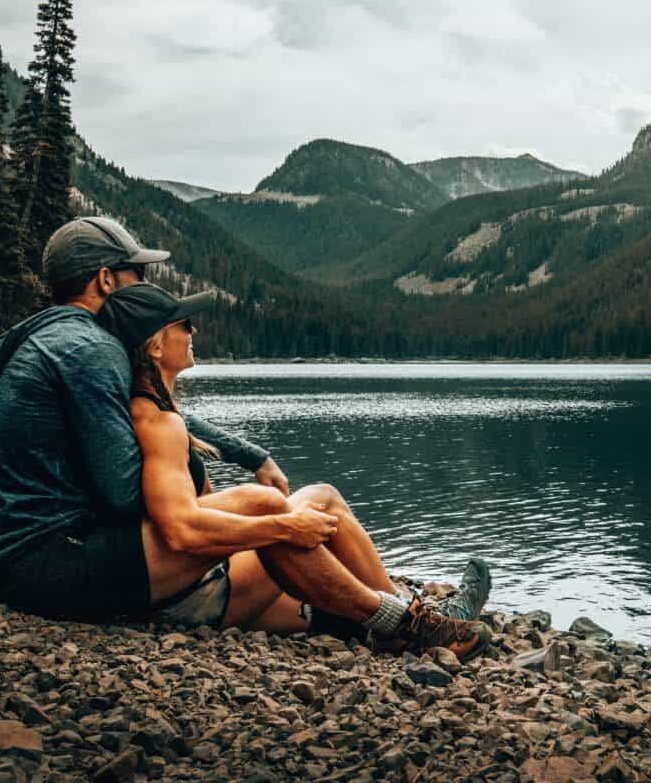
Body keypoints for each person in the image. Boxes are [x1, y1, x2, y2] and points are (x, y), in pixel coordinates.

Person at [94, 282, 493, 658]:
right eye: (182, 324)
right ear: (156, 346)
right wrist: (283, 527)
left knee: (320, 553)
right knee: (306, 506)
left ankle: (409, 617)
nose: (193, 329)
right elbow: (180, 529)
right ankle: (414, 624)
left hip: (194, 586)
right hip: (196, 598)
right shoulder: (156, 421)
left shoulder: (160, 413)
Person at [0, 217, 289, 614]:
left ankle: (358, 617)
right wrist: (190, 477)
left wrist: (251, 456)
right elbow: (126, 495)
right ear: (105, 279)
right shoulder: (89, 349)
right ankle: (376, 614)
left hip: (13, 552)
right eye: (140, 273)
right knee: (263, 509)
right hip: (34, 564)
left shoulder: (59, 335)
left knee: (272, 560)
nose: (146, 285)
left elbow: (154, 414)